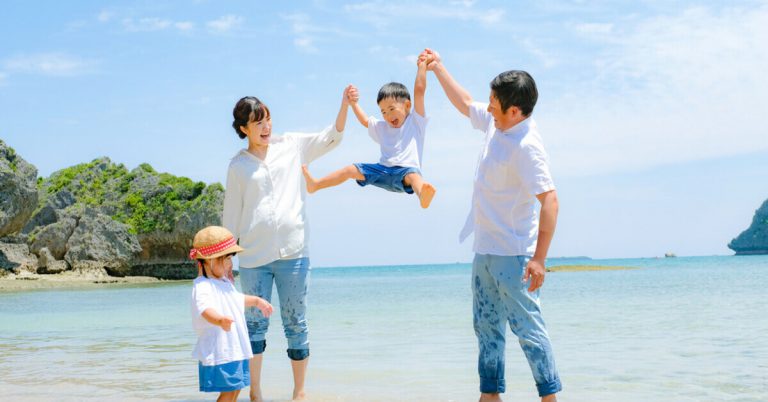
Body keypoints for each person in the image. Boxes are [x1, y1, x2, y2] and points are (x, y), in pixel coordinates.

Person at [422, 48, 562, 402]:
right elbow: (465, 101)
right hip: (484, 249)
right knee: (486, 329)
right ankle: (490, 396)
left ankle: (550, 398)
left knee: (529, 331)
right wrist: (438, 68)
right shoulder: (497, 124)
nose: (488, 108)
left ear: (514, 111)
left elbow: (550, 200)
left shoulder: (527, 146)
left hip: (515, 257)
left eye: (494, 104)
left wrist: (539, 259)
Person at [223, 90, 347, 402]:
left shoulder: (291, 145)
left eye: (267, 120)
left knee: (296, 323)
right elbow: (231, 216)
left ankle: (299, 393)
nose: (265, 127)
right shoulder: (238, 166)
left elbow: (330, 138)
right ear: (243, 130)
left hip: (293, 253)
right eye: (257, 123)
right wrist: (224, 261)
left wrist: (345, 105)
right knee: (254, 327)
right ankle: (255, 391)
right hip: (252, 257)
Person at [301, 56, 437, 209]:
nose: (388, 116)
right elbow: (366, 121)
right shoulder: (383, 127)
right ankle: (315, 185)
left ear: (407, 105)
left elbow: (419, 92)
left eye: (392, 109)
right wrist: (353, 104)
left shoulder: (415, 123)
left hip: (405, 173)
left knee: (414, 176)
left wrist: (422, 67)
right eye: (383, 112)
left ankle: (422, 194)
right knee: (350, 170)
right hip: (382, 171)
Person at [189, 225, 274, 402]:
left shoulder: (224, 282)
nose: (230, 264)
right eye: (225, 259)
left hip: (235, 349)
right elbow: (204, 309)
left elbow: (237, 299)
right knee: (228, 392)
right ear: (209, 260)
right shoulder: (203, 285)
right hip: (221, 350)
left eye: (230, 259)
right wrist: (219, 320)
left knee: (235, 390)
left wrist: (257, 301)